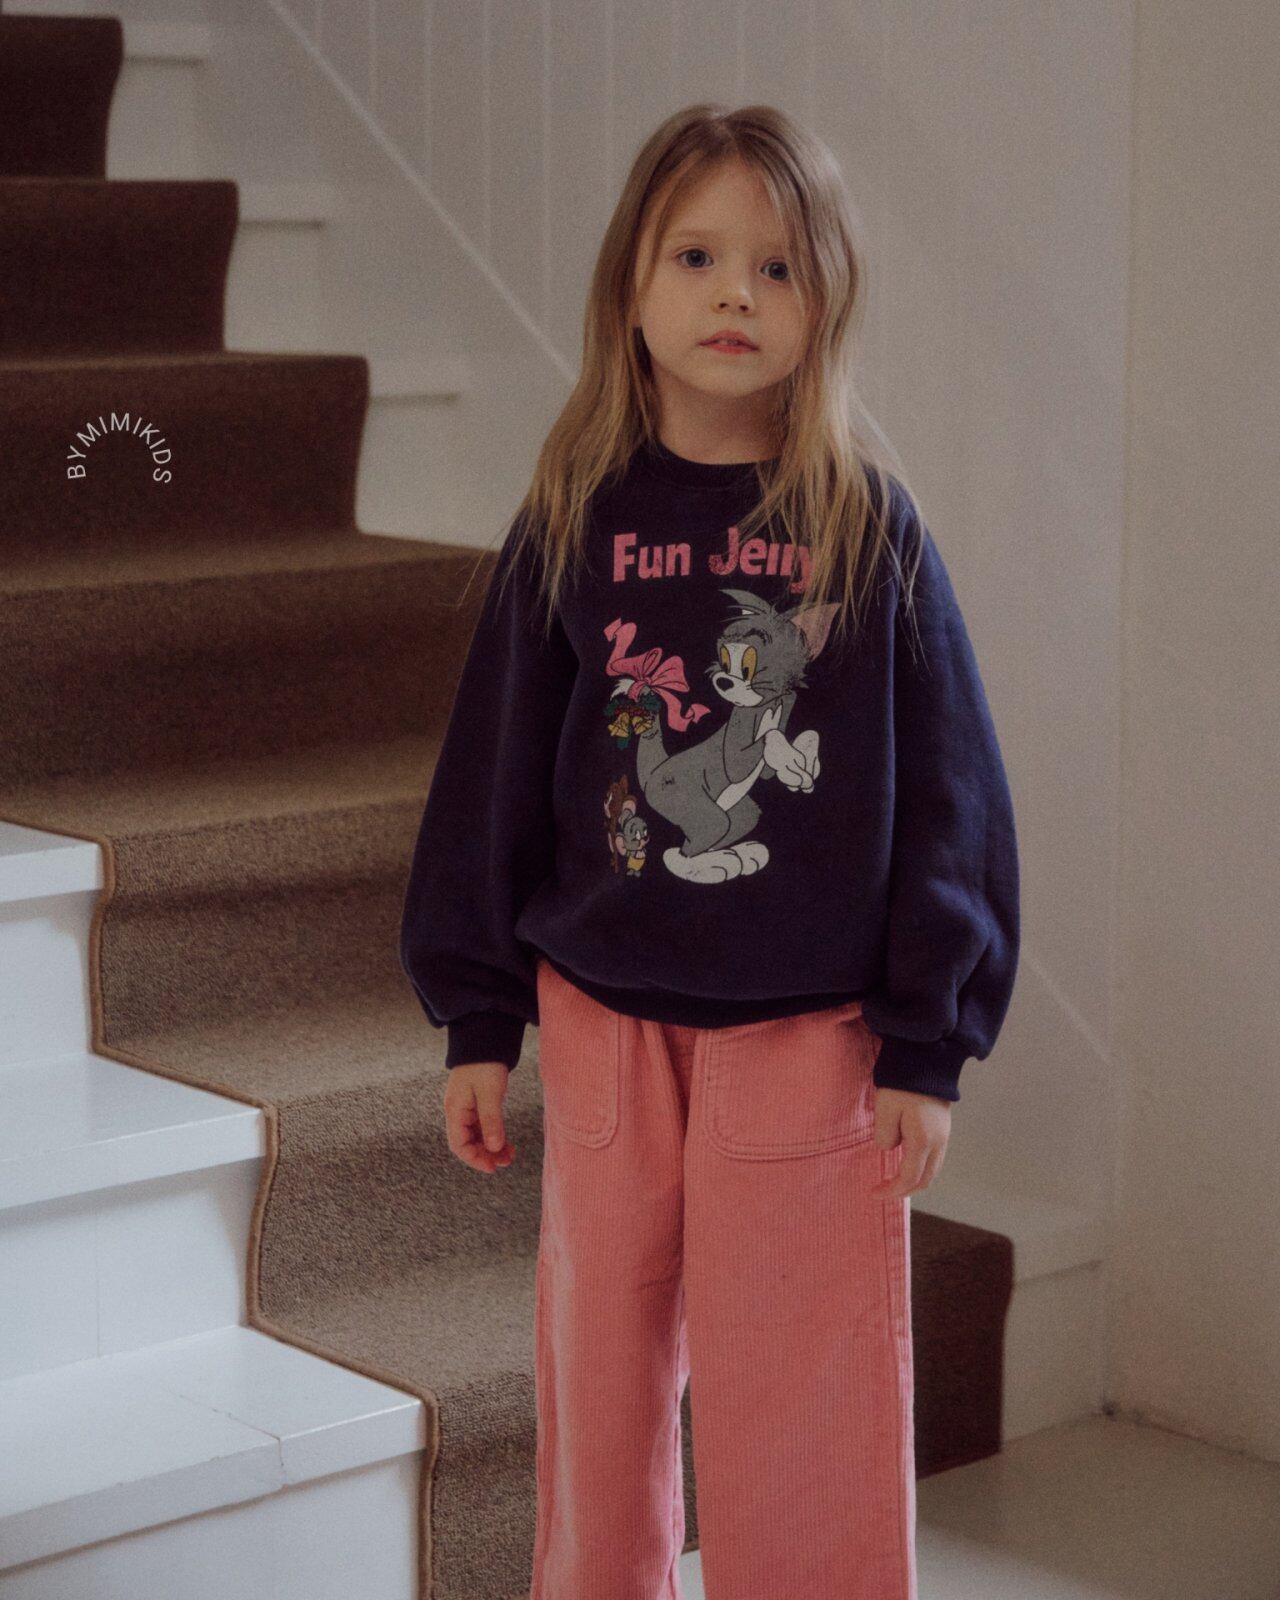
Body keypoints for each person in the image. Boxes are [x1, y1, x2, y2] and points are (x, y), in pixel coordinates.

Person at [399, 101, 1019, 1600]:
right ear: (632, 284)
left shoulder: (865, 527)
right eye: (697, 256)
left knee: (807, 1405)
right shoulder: (572, 517)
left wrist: (929, 1041)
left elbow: (952, 790)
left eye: (778, 265)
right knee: (599, 1390)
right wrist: (479, 1014)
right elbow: (493, 774)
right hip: (603, 1030)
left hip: (809, 1046)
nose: (736, 292)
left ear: (824, 304)